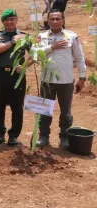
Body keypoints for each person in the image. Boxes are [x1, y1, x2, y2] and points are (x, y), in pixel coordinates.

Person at [35, 10, 87, 149]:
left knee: (65, 111)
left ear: (63, 20)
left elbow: (79, 57)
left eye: (58, 18)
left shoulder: (72, 36)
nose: (55, 21)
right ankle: (43, 136)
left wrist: (82, 77)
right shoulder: (42, 36)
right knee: (45, 110)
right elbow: (36, 54)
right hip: (47, 80)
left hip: (66, 81)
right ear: (48, 21)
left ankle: (64, 137)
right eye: (52, 18)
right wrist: (53, 47)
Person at [0, 9, 27, 146]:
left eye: (12, 19)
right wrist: (12, 41)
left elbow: (35, 55)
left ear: (16, 20)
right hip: (0, 74)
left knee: (17, 106)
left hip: (17, 75)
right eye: (6, 19)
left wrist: (24, 66)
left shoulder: (24, 36)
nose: (9, 22)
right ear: (3, 22)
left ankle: (14, 135)